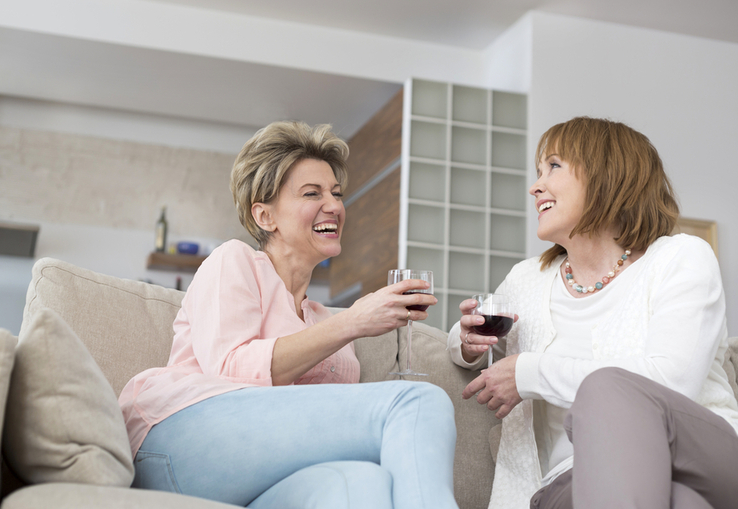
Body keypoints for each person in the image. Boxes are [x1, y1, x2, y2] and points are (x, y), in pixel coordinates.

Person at [120, 121, 460, 509]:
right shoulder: (234, 261)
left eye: (336, 193)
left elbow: (320, 422)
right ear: (265, 216)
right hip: (180, 443)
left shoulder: (322, 321)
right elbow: (230, 371)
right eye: (312, 193)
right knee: (418, 402)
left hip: (256, 474)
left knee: (361, 481)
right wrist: (351, 322)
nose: (334, 206)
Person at [447, 117, 738, 508]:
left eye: (553, 166)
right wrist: (467, 341)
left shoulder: (680, 258)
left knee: (609, 389)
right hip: (572, 479)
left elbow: (672, 382)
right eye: (538, 172)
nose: (535, 187)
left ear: (608, 176)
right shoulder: (527, 280)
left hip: (702, 456)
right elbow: (469, 342)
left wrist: (532, 373)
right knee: (683, 502)